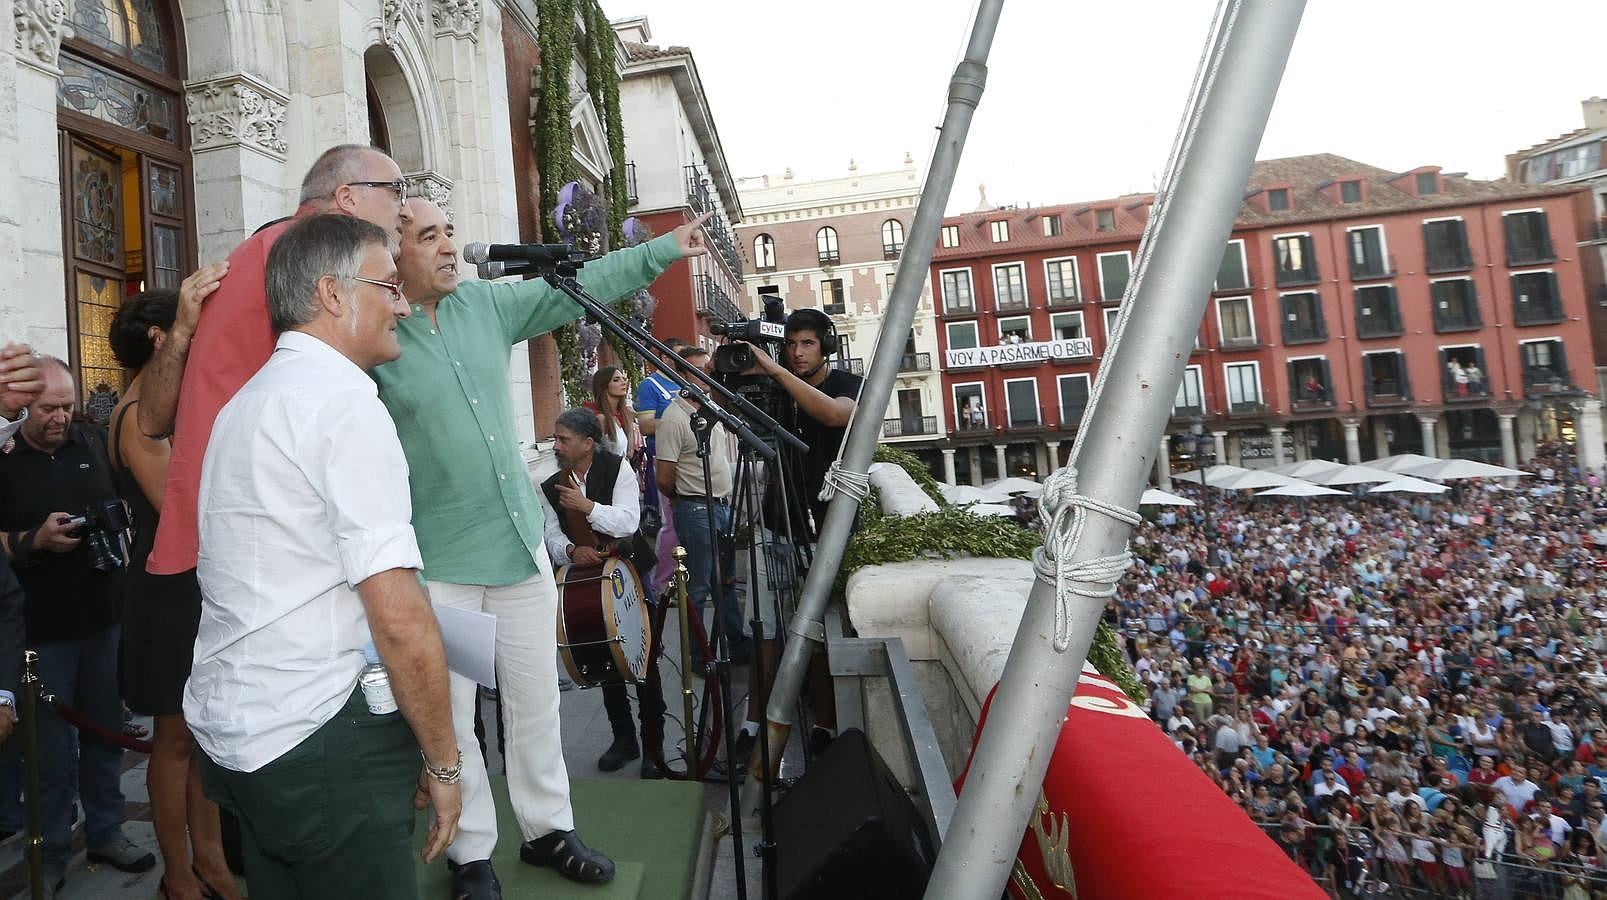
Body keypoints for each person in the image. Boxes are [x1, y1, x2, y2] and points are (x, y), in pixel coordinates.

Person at [376, 197, 710, 894]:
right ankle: (470, 855)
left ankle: (547, 830)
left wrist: (662, 249)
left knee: (536, 704)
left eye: (450, 232)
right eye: (428, 236)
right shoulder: (376, 335)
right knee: (456, 721)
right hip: (439, 566)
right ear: (393, 252)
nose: (446, 247)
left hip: (518, 549)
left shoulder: (486, 308)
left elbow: (584, 282)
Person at [186, 214, 461, 899]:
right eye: (389, 286)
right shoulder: (341, 403)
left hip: (241, 731)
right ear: (334, 294)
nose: (402, 304)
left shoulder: (246, 403)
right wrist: (445, 763)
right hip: (318, 734)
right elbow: (398, 618)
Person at [136, 143, 411, 580]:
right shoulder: (304, 258)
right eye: (397, 190)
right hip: (262, 533)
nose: (406, 209)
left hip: (220, 525)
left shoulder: (259, 249)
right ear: (348, 198)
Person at [0, 357, 155, 897]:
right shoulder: (5, 456)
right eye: (48, 409)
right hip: (39, 634)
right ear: (22, 408)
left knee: (105, 736)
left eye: (67, 406)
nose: (61, 418)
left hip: (102, 620)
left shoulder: (88, 444)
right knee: (49, 754)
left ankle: (108, 832)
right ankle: (50, 850)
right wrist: (31, 541)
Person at [107, 287, 241, 900]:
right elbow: (180, 510)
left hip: (193, 588)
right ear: (161, 341)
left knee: (200, 734)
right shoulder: (139, 415)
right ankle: (179, 874)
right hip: (164, 595)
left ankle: (211, 861)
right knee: (174, 739)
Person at [538, 409, 666, 778]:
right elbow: (550, 532)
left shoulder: (617, 468)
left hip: (629, 570)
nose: (557, 445)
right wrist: (570, 551)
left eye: (563, 439)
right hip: (588, 576)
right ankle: (624, 740)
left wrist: (587, 507)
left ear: (587, 443)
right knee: (604, 656)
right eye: (556, 438)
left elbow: (628, 521)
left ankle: (653, 748)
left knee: (644, 661)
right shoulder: (551, 485)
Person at [636, 337, 689, 596]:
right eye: (678, 357)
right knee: (672, 523)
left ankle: (686, 575)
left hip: (690, 458)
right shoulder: (650, 385)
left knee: (692, 518)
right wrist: (679, 423)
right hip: (665, 457)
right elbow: (645, 425)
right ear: (665, 356)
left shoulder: (684, 382)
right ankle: (662, 583)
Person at [585, 366, 641, 460]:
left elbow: (629, 454)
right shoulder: (601, 418)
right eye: (616, 380)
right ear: (604, 386)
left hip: (623, 470)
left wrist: (630, 422)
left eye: (624, 379)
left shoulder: (620, 415)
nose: (623, 382)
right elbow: (594, 457)